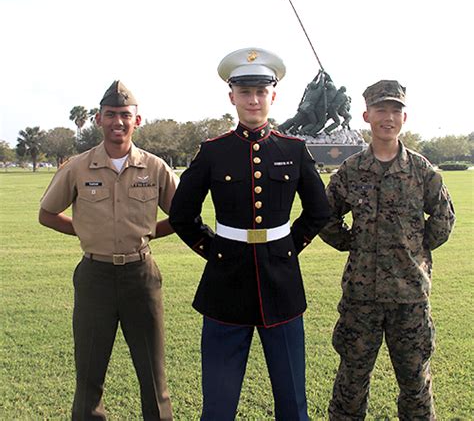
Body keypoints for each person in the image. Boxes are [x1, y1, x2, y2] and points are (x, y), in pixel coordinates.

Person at [169, 47, 331, 420]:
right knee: (219, 406)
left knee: (293, 404)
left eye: (261, 91)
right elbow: (182, 215)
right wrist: (216, 250)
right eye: (245, 92)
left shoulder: (294, 149)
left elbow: (318, 210)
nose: (254, 99)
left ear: (273, 95)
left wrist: (288, 248)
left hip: (282, 286)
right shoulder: (213, 152)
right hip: (225, 286)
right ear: (232, 97)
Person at [39, 80, 178, 420]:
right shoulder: (77, 167)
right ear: (98, 119)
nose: (118, 122)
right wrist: (87, 231)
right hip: (94, 277)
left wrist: (146, 235)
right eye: (111, 114)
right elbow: (47, 214)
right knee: (88, 375)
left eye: (125, 115)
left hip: (141, 276)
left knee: (153, 376)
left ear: (137, 120)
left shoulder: (156, 168)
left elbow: (182, 217)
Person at [319, 80, 455, 420]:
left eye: (396, 110)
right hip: (361, 298)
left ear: (404, 118)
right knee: (351, 379)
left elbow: (443, 217)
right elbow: (326, 217)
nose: (388, 117)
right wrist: (353, 243)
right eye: (381, 109)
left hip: (409, 296)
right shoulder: (351, 170)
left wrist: (415, 251)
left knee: (415, 383)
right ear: (367, 115)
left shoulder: (421, 171)